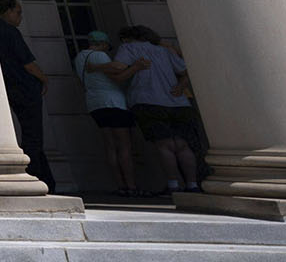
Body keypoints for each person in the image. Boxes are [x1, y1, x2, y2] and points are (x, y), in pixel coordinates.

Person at [114, 24, 199, 195]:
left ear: (128, 37)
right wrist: (181, 86)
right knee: (183, 146)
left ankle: (173, 185)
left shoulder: (128, 48)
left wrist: (133, 68)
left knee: (164, 145)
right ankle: (192, 184)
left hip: (148, 100)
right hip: (177, 102)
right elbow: (184, 70)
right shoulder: (164, 50)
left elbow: (118, 69)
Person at [0, 0, 53, 192]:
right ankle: (37, 177)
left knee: (29, 134)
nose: (20, 18)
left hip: (7, 87)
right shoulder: (10, 32)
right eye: (18, 12)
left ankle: (43, 178)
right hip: (24, 88)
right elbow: (28, 64)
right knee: (33, 135)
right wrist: (44, 78)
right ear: (7, 11)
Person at [72, 29, 145, 196]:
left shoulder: (79, 57)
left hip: (94, 103)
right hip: (113, 102)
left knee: (110, 146)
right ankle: (131, 186)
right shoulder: (99, 56)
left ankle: (120, 185)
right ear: (103, 44)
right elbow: (118, 72)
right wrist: (135, 66)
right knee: (124, 145)